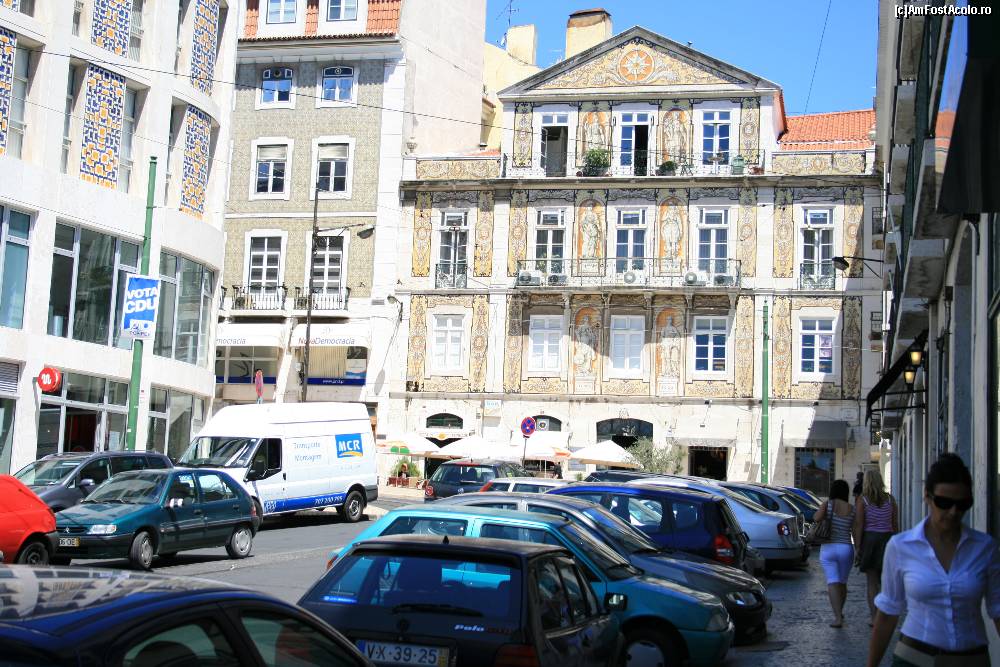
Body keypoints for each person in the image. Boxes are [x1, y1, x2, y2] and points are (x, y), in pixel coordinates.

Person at [866, 453, 999, 667]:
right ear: (927, 497)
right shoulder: (901, 547)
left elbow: (998, 609)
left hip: (971, 659)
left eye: (962, 504)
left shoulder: (984, 548)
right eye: (944, 502)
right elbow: (888, 612)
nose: (953, 512)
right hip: (914, 657)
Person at [853, 468, 897, 625]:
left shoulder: (863, 500)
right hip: (887, 539)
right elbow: (894, 524)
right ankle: (885, 616)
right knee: (885, 581)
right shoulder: (890, 499)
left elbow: (859, 524)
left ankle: (874, 618)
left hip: (870, 540)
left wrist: (858, 546)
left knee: (871, 582)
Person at [812, 479, 856, 628]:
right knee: (842, 582)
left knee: (832, 581)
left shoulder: (827, 505)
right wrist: (859, 549)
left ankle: (837, 618)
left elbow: (816, 518)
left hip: (829, 548)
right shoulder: (852, 509)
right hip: (846, 548)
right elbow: (855, 531)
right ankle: (840, 612)